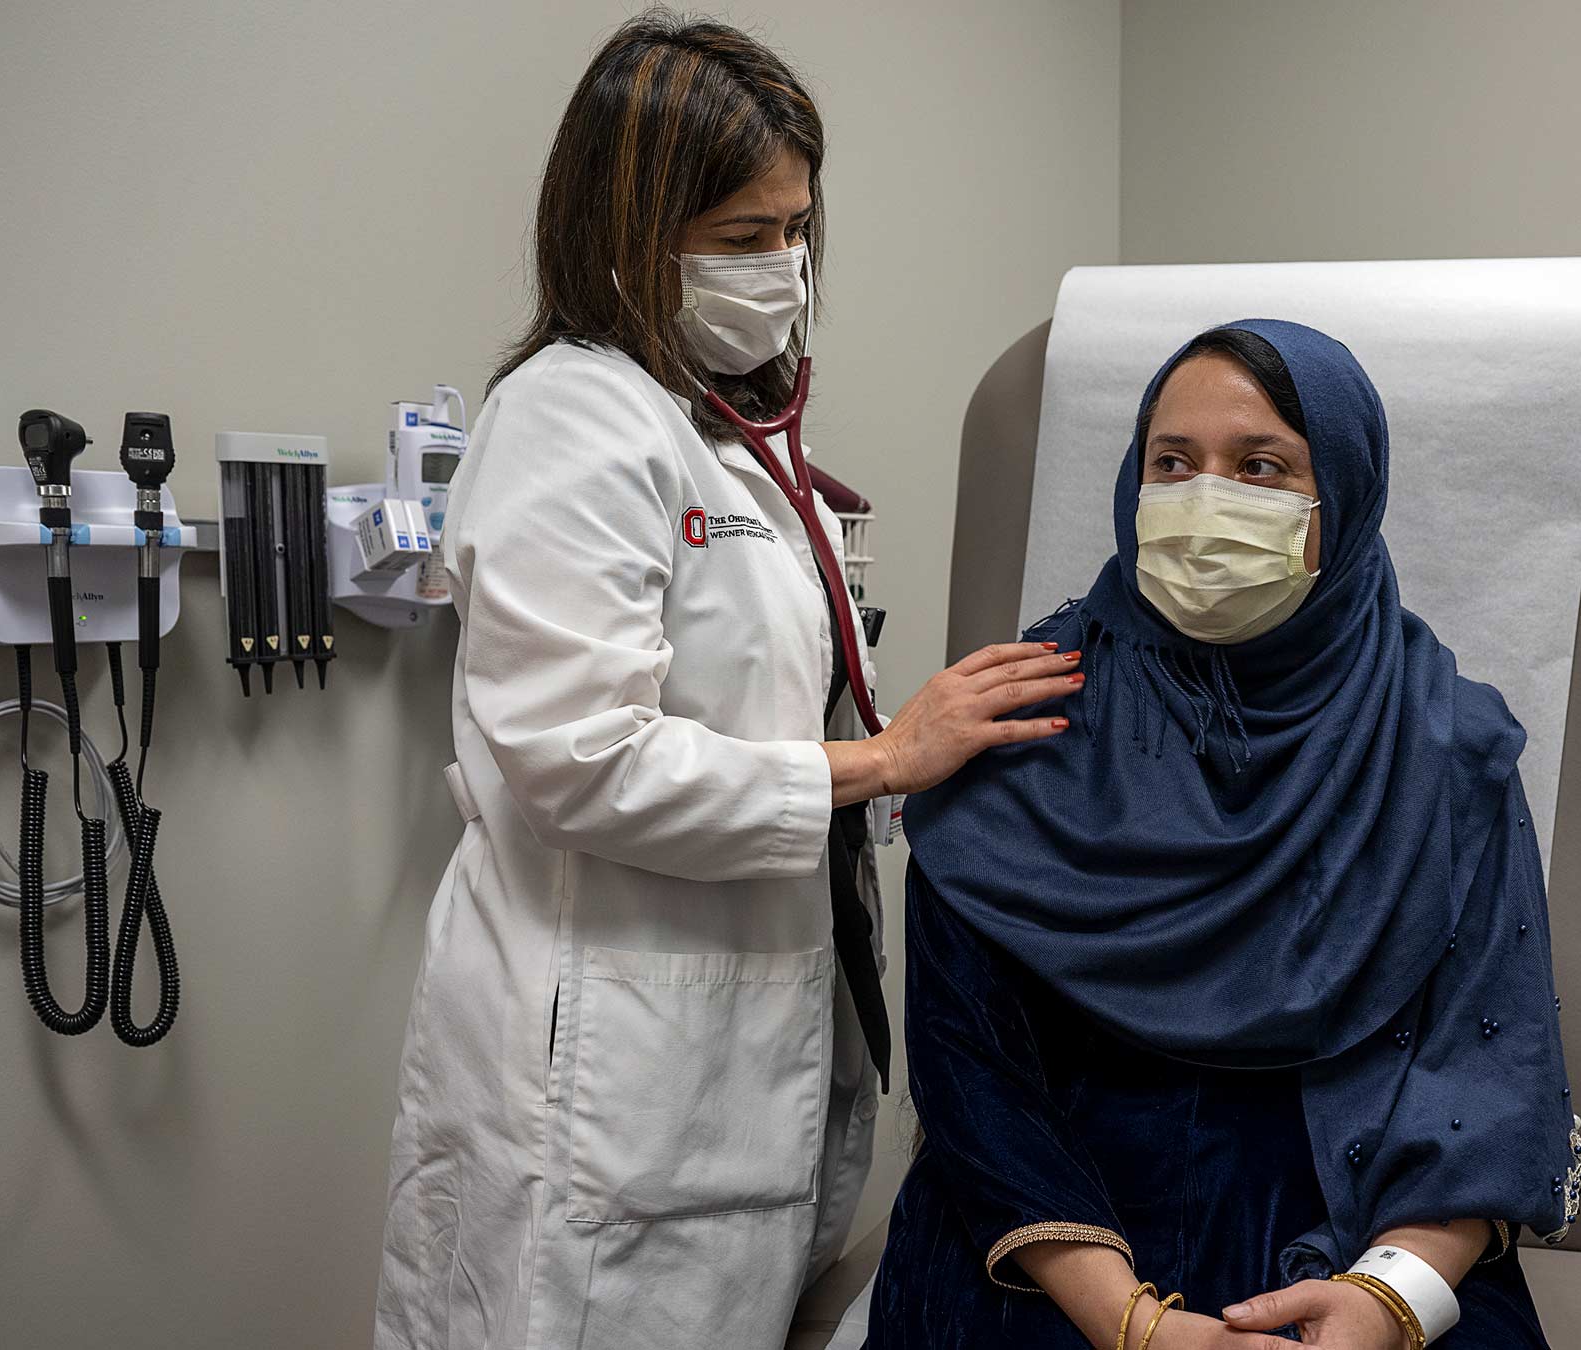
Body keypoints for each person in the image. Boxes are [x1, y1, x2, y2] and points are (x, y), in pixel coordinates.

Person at [373, 14, 1080, 1350]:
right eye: (745, 237)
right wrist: (882, 759)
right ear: (630, 230)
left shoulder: (729, 439)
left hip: (731, 1068)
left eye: (797, 230)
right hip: (600, 1093)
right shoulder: (571, 418)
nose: (785, 269)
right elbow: (579, 755)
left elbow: (757, 712)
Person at [868, 321, 1581, 1349]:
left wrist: (1391, 1298)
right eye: (1173, 464)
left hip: (1351, 1227)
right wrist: (1135, 1325)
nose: (1207, 500)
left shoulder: (1445, 750)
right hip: (1058, 1242)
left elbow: (1492, 1065)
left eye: (1260, 467)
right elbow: (971, 1070)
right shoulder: (1010, 721)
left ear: (1341, 493)